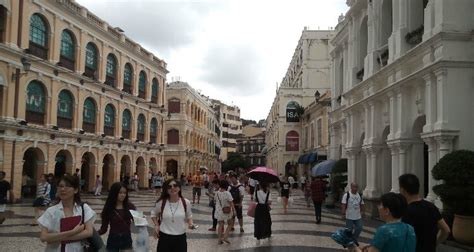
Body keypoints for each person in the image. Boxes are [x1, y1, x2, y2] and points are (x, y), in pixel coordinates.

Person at [38, 174, 96, 251]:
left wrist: (56, 238)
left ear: (75, 190)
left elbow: (89, 232)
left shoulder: (83, 208)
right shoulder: (51, 211)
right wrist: (72, 232)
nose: (63, 189)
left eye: (67, 186)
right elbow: (44, 237)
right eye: (60, 186)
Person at [346, 192, 416, 252]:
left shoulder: (384, 230)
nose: (378, 207)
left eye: (380, 205)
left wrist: (353, 248)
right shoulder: (410, 228)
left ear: (387, 211)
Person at [399, 174, 450, 252]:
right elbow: (446, 230)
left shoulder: (407, 211)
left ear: (403, 190)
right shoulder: (431, 207)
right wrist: (434, 244)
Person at [151, 179, 195, 252]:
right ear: (166, 190)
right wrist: (156, 225)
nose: (172, 188)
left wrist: (191, 224)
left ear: (179, 188)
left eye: (175, 185)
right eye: (169, 186)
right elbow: (153, 214)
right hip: (164, 237)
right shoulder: (162, 202)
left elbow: (189, 215)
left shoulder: (185, 202)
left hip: (180, 238)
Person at [99, 182, 136, 252]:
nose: (123, 195)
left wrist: (141, 220)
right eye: (120, 193)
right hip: (113, 239)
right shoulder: (108, 208)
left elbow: (137, 221)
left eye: (124, 193)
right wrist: (92, 235)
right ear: (114, 193)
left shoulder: (130, 207)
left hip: (126, 238)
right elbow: (104, 229)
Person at [214, 179, 234, 245]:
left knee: (220, 225)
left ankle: (219, 240)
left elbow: (215, 200)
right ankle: (225, 237)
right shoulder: (227, 193)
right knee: (230, 224)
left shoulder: (217, 192)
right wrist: (234, 210)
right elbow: (231, 202)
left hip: (219, 211)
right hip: (226, 210)